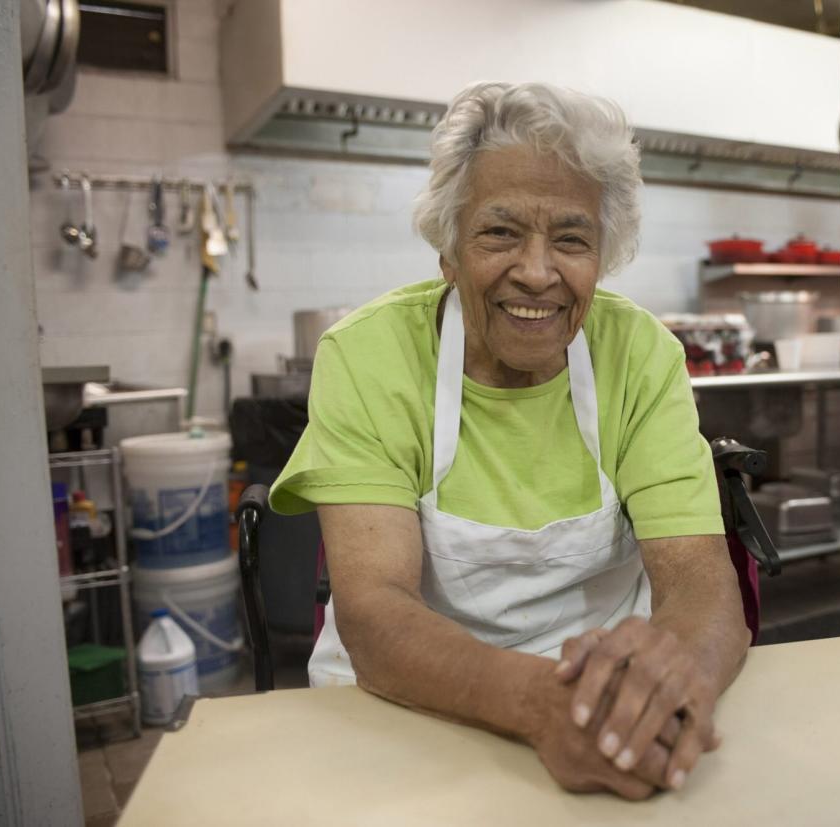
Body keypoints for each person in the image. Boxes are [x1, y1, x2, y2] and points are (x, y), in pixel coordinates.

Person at [270, 81, 750, 800]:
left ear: (602, 255)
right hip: (404, 714)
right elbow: (374, 609)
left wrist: (663, 686)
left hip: (600, 717)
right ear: (449, 250)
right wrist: (539, 704)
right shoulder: (368, 357)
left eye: (571, 238)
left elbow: (701, 586)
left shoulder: (641, 355)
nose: (536, 270)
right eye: (500, 232)